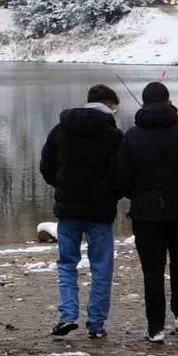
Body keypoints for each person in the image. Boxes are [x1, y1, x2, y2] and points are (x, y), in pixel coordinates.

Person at [113, 82, 178, 343]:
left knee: (152, 270)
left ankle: (155, 326)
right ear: (169, 101)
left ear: (144, 103)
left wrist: (136, 195)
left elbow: (121, 178)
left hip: (145, 215)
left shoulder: (132, 135)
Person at [39, 84, 124, 339]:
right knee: (101, 267)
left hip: (68, 208)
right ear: (109, 104)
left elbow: (46, 165)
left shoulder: (61, 130)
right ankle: (96, 324)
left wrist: (62, 186)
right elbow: (121, 173)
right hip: (101, 209)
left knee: (67, 263)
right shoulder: (114, 135)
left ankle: (67, 315)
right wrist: (112, 193)